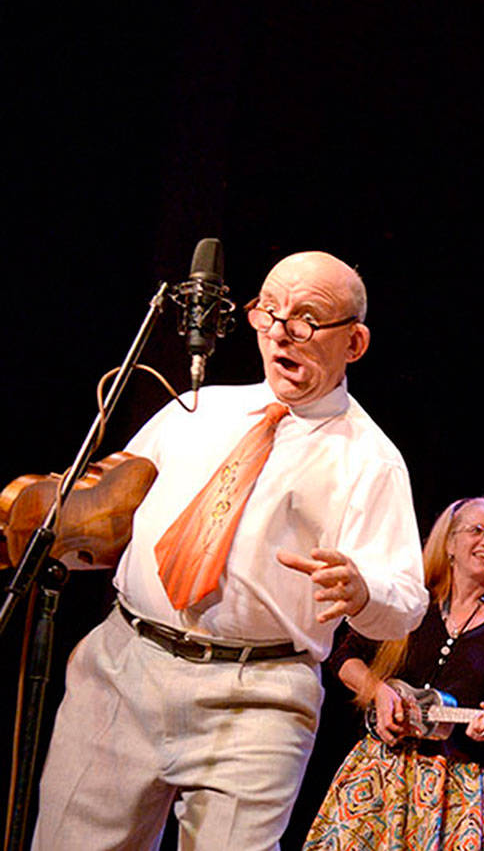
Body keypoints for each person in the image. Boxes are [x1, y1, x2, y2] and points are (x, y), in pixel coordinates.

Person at [33, 251, 429, 850]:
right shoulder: (197, 410)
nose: (280, 333)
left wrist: (362, 590)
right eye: (269, 312)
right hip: (124, 664)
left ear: (354, 342)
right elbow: (108, 506)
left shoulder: (370, 459)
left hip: (257, 697)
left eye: (306, 319)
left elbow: (405, 605)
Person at [305, 497, 484, 850]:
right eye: (477, 530)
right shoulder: (413, 603)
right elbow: (345, 657)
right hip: (384, 771)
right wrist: (379, 692)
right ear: (449, 543)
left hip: (464, 789)